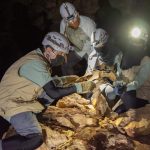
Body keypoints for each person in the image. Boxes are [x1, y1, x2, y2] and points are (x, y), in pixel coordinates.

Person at [0, 32, 95, 150]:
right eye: (61, 54)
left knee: (51, 91)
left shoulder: (40, 59)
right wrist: (79, 88)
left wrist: (66, 80)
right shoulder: (36, 63)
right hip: (11, 103)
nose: (64, 59)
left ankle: (34, 116)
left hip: (19, 96)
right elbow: (53, 92)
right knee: (35, 139)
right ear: (49, 50)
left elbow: (48, 84)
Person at [59, 2, 96, 75]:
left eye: (75, 20)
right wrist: (64, 53)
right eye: (70, 22)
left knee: (94, 72)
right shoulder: (63, 24)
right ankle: (72, 84)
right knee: (65, 64)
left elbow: (95, 48)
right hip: (77, 49)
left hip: (91, 49)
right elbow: (62, 40)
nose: (73, 23)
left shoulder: (89, 24)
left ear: (78, 14)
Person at [86, 28, 123, 101]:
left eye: (101, 47)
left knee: (113, 94)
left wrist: (119, 84)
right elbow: (89, 75)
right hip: (101, 82)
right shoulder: (92, 57)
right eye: (97, 49)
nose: (99, 51)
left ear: (107, 43)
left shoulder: (117, 54)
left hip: (115, 81)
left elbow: (121, 73)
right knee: (90, 96)